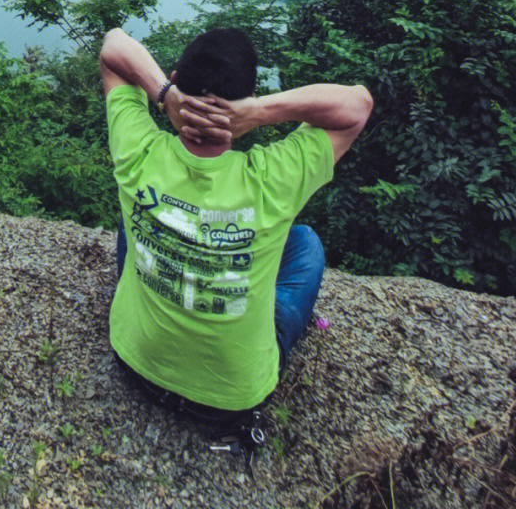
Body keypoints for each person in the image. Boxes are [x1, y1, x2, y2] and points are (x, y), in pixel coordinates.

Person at [100, 23, 372, 442]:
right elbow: (358, 105)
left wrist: (162, 95)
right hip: (230, 399)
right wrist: (262, 111)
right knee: (306, 244)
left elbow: (114, 45)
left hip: (135, 365)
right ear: (241, 104)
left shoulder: (140, 153)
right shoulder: (271, 181)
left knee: (137, 209)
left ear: (176, 79)